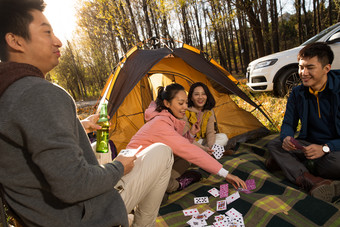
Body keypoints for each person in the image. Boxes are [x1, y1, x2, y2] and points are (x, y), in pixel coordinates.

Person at [0, 0, 173, 226]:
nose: (58, 41)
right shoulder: (39, 92)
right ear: (16, 41)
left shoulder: (8, 93)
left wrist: (79, 125)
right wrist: (120, 166)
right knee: (162, 152)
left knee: (100, 149)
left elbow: (29, 143)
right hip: (88, 217)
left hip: (45, 218)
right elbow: (74, 184)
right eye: (47, 32)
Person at [127, 83, 247, 194]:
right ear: (167, 103)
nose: (185, 107)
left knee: (187, 158)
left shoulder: (167, 117)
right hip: (136, 173)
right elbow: (187, 149)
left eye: (185, 102)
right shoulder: (160, 123)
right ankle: (181, 182)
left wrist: (190, 135)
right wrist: (226, 175)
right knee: (163, 189)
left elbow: (180, 142)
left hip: (152, 165)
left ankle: (170, 180)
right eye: (180, 103)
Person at [266, 42, 340, 202]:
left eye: (310, 67)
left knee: (336, 163)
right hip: (308, 145)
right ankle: (312, 180)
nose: (303, 73)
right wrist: (286, 137)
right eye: (301, 67)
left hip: (334, 149)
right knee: (275, 145)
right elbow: (288, 123)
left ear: (326, 68)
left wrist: (326, 148)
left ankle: (291, 165)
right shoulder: (297, 92)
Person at [185, 82, 228, 154]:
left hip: (202, 142)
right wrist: (204, 148)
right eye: (196, 94)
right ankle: (206, 153)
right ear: (191, 97)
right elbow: (185, 137)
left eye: (203, 94)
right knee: (187, 145)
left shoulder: (209, 111)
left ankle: (208, 152)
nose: (200, 97)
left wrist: (210, 146)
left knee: (223, 137)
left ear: (207, 96)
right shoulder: (185, 112)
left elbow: (210, 132)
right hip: (190, 142)